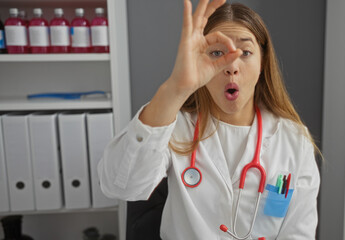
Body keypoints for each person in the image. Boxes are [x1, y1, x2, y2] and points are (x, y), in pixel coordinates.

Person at [98, 0, 321, 239]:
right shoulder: (173, 125)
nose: (231, 66)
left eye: (245, 53)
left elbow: (299, 233)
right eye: (217, 53)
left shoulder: (294, 139)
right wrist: (175, 88)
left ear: (262, 62)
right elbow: (120, 185)